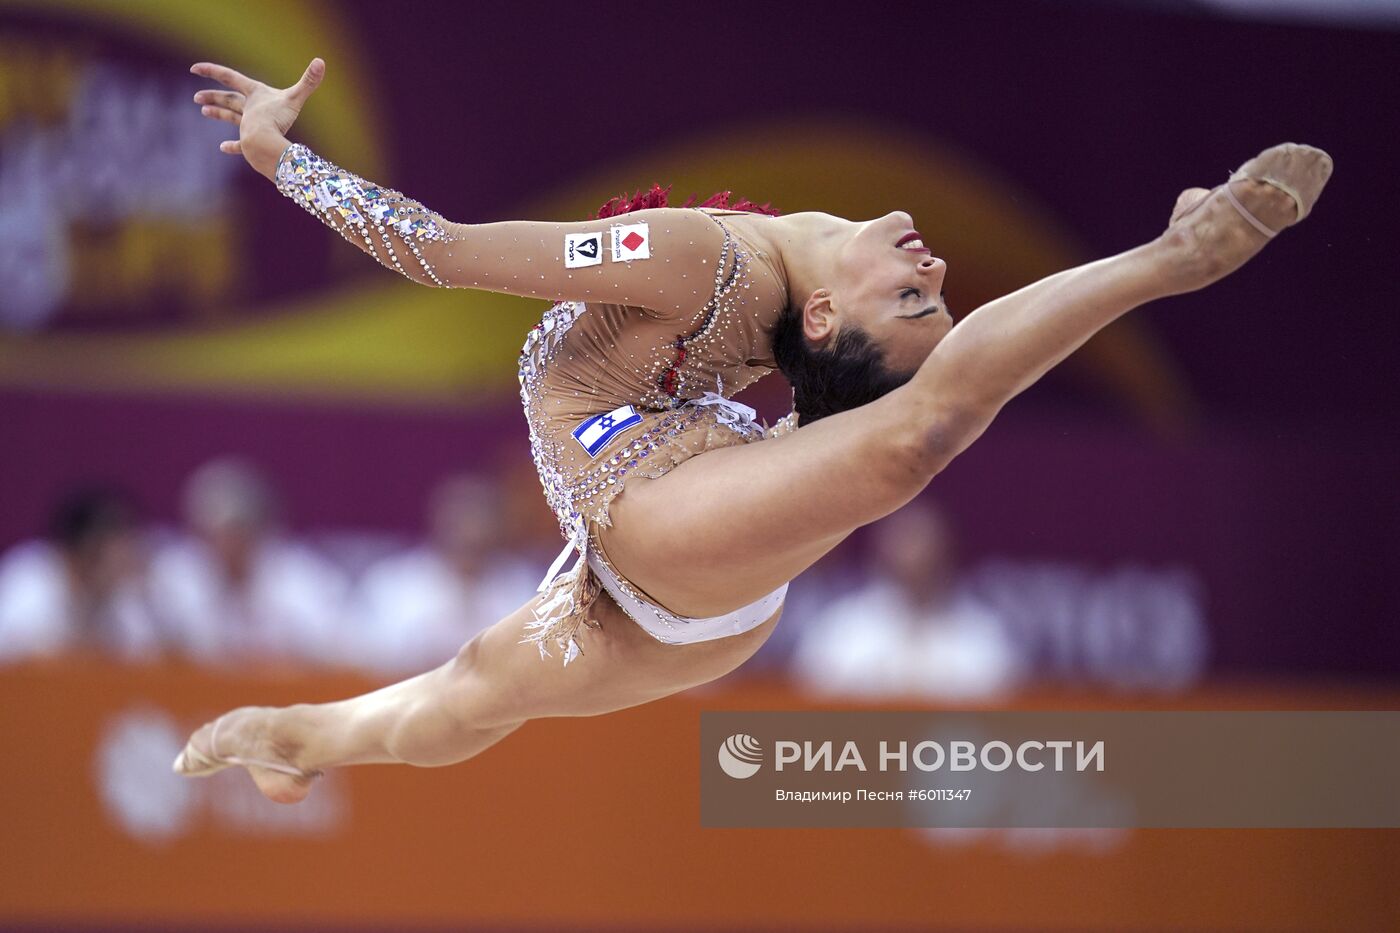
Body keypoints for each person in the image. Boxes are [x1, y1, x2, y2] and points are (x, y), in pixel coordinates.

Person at [174, 58, 1332, 803]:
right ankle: (304, 739)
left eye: (917, 299)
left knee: (911, 439)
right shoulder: (758, 271)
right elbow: (450, 248)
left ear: (822, 319)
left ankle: (1171, 260)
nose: (931, 266)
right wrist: (284, 158)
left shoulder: (720, 267)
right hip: (678, 578)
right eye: (929, 293)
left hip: (674, 514)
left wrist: (282, 160)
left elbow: (439, 248)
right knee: (474, 690)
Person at [791, 500, 1020, 702]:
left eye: (923, 541)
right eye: (903, 540)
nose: (914, 555)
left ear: (947, 550)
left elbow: (1001, 707)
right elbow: (810, 698)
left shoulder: (983, 631)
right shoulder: (840, 626)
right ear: (880, 550)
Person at [148, 457, 350, 668]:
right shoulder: (171, 576)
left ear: (260, 529)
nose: (226, 543)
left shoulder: (302, 579)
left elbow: (336, 650)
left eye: (237, 531)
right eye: (214, 532)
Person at [349, 474, 537, 674]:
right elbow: (361, 659)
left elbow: (536, 661)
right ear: (439, 520)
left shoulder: (523, 585)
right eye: (461, 517)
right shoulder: (392, 584)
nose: (471, 528)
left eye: (480, 516)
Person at [0, 487, 160, 663]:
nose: (133, 557)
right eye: (123, 547)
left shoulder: (120, 594)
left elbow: (145, 656)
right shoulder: (29, 584)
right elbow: (11, 654)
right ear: (88, 548)